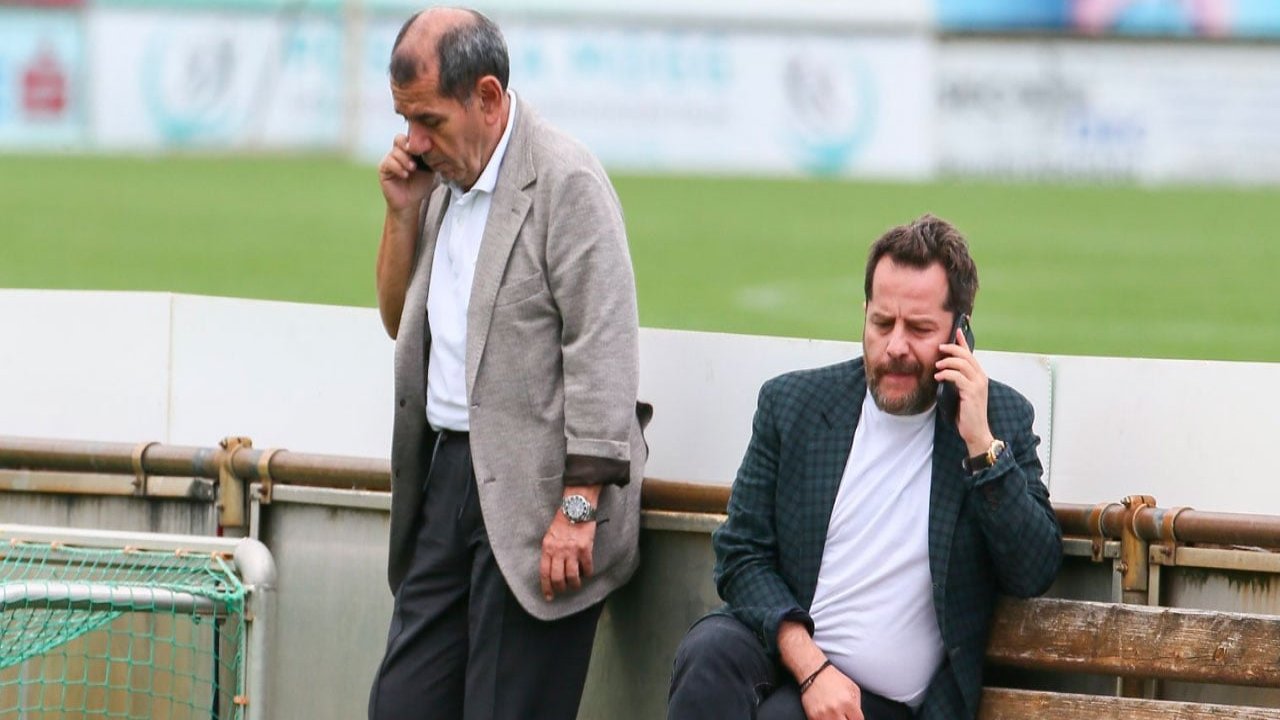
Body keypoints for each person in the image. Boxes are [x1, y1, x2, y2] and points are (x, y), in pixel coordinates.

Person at [367, 8, 649, 720]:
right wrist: (400, 214)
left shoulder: (566, 180)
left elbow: (604, 349)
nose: (412, 141)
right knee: (399, 706)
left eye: (428, 119)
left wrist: (578, 509)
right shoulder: (437, 181)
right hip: (445, 481)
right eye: (405, 119)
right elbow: (400, 323)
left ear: (487, 98)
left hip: (544, 496)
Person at [667, 215, 1062, 720]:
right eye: (881, 323)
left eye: (919, 329)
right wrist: (811, 667)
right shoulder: (794, 404)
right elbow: (740, 554)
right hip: (784, 651)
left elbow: (1032, 571)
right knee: (708, 655)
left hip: (883, 704)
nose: (895, 347)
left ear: (960, 332)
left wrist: (981, 447)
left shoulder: (998, 419)